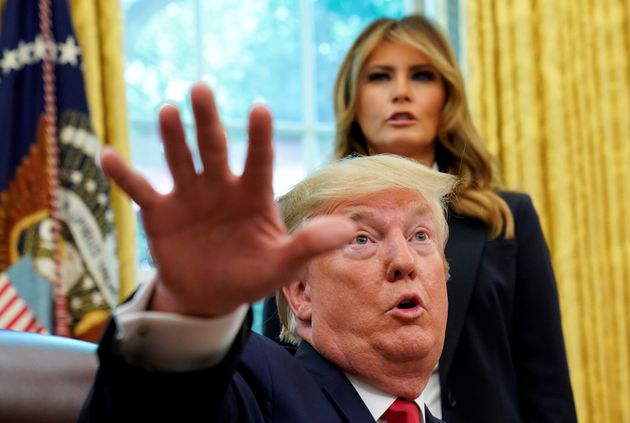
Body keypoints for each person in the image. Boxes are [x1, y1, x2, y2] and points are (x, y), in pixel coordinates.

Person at [79, 82, 457, 422]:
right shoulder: (256, 384)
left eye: (420, 235)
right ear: (300, 293)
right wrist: (190, 311)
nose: (404, 261)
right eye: (361, 239)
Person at [263, 15, 577, 422]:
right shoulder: (305, 220)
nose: (401, 93)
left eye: (422, 76)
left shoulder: (506, 219)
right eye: (380, 77)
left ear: (447, 97)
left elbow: (545, 380)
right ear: (353, 101)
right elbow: (278, 364)